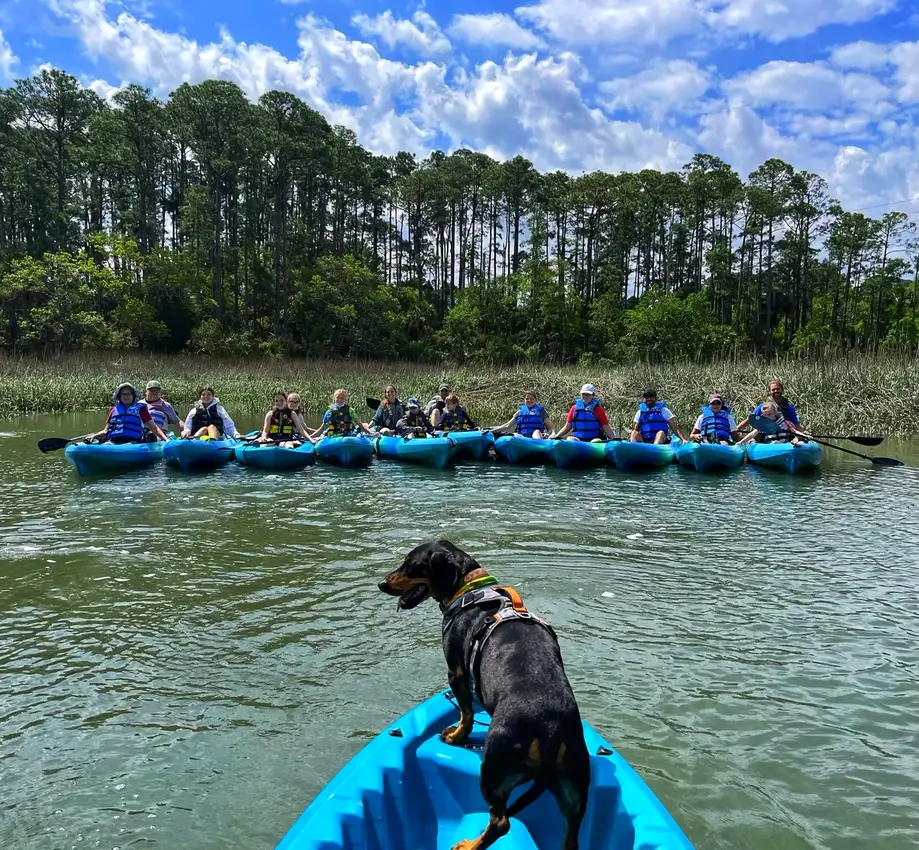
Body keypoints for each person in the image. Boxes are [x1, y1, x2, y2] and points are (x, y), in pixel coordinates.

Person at [90, 383, 168, 444]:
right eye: (123, 394)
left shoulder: (141, 409)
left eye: (128, 394)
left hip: (133, 442)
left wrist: (166, 440)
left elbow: (154, 428)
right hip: (113, 441)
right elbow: (105, 431)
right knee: (107, 444)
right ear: (119, 397)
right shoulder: (114, 410)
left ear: (133, 396)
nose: (126, 397)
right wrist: (94, 436)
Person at [552, 384, 617, 442]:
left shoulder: (598, 409)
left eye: (588, 394)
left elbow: (605, 427)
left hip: (594, 439)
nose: (585, 397)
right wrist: (555, 437)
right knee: (570, 439)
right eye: (583, 394)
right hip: (577, 438)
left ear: (593, 395)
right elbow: (567, 427)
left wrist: (614, 439)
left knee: (596, 441)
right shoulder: (574, 408)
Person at [737, 379, 803, 434]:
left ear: (782, 390)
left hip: (785, 436)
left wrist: (803, 432)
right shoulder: (763, 407)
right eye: (773, 390)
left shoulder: (789, 407)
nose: (776, 391)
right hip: (768, 436)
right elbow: (749, 420)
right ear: (770, 391)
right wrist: (736, 429)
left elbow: (796, 424)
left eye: (778, 389)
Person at [311, 389, 376, 439]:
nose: (339, 400)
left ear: (345, 399)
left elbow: (361, 425)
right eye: (337, 397)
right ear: (334, 398)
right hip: (332, 437)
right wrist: (309, 437)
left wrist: (371, 433)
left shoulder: (350, 410)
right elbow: (321, 429)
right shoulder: (329, 412)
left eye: (342, 398)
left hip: (348, 435)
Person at [737, 399, 803, 446]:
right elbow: (752, 434)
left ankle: (795, 446)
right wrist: (740, 442)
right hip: (771, 446)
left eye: (769, 414)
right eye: (765, 415)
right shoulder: (763, 424)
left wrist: (805, 436)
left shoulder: (785, 422)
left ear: (774, 413)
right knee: (775, 442)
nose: (767, 417)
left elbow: (795, 432)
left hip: (784, 444)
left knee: (801, 443)